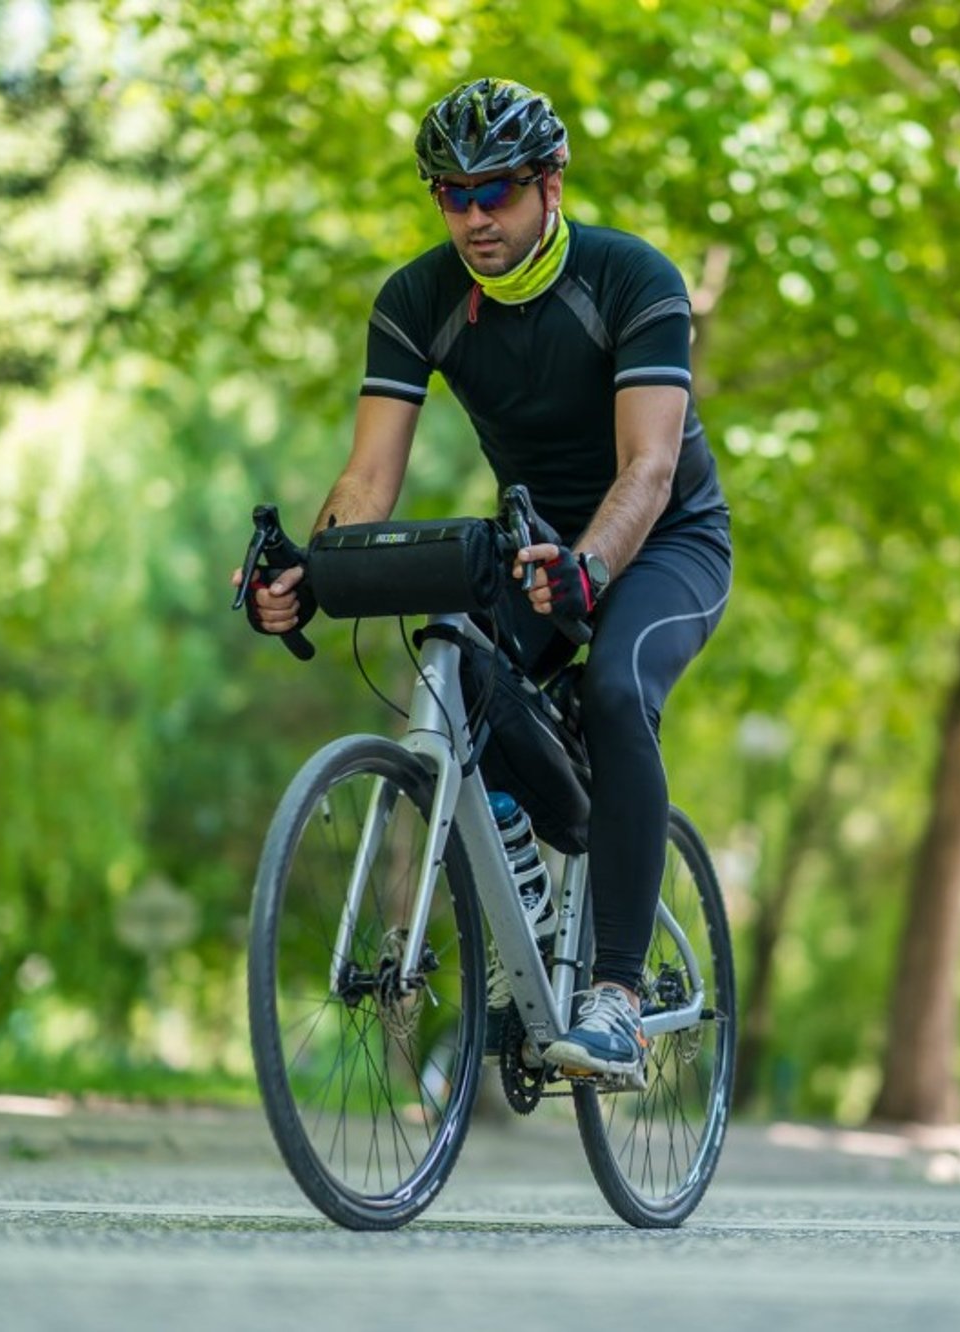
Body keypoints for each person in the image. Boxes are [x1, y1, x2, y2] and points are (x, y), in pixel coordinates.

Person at [239, 77, 730, 1089]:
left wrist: (591, 569)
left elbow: (645, 468)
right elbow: (366, 478)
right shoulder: (418, 300)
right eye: (448, 195)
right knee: (453, 664)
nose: (471, 217)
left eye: (492, 191)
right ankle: (521, 905)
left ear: (549, 185)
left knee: (614, 688)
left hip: (667, 541)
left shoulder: (632, 278)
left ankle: (616, 998)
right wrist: (310, 571)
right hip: (538, 542)